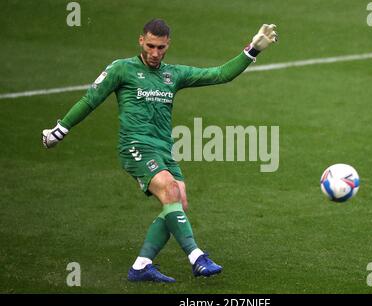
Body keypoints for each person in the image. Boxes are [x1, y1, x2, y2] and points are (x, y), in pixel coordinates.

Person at [42, 19, 277, 283]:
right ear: (141, 40)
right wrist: (60, 129)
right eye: (151, 46)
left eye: (161, 48)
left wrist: (252, 50)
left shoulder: (173, 74)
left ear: (168, 45)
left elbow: (220, 74)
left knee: (177, 204)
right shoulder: (122, 69)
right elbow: (90, 99)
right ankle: (197, 257)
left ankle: (141, 266)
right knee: (171, 191)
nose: (155, 53)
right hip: (136, 146)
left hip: (164, 150)